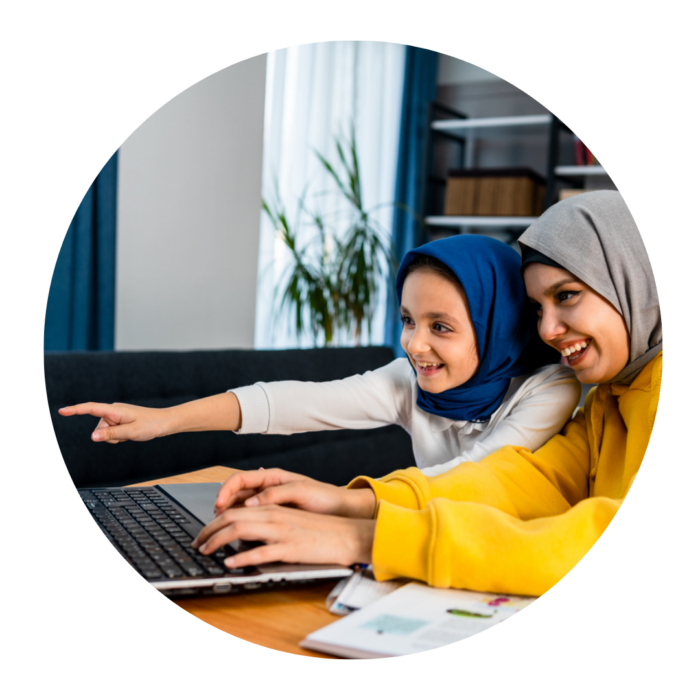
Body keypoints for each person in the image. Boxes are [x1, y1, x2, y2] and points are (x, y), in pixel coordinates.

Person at [187, 189, 688, 600]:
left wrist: (369, 538)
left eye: (567, 296)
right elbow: (529, 481)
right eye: (537, 308)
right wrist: (357, 502)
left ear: (633, 277)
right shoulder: (611, 397)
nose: (550, 329)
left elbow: (634, 546)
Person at [59, 235, 578, 480]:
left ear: (499, 326)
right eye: (407, 320)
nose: (415, 345)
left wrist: (334, 506)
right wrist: (165, 420)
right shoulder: (411, 382)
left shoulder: (550, 389)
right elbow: (296, 403)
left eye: (440, 327)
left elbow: (476, 478)